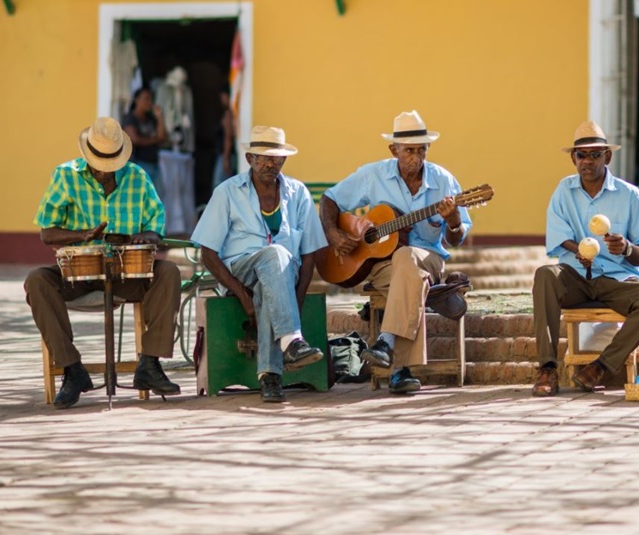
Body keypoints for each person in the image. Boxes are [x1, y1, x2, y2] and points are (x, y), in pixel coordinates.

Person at [25, 117, 182, 409]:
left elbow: (156, 225)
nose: (106, 171)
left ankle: (149, 364)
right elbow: (47, 232)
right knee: (37, 280)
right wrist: (82, 235)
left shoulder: (137, 177)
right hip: (78, 273)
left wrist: (144, 236)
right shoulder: (65, 175)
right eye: (100, 163)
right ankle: (73, 370)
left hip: (127, 273)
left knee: (169, 272)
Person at [319, 110, 471, 394]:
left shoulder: (444, 181)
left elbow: (457, 239)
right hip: (380, 265)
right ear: (394, 150)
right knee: (407, 274)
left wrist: (454, 221)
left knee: (407, 258)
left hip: (430, 260)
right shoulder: (373, 174)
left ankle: (387, 343)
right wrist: (335, 234)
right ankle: (401, 372)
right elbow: (330, 199)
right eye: (409, 151)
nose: (416, 157)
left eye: (422, 150)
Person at [531, 121, 639, 397]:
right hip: (576, 278)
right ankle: (547, 368)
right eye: (582, 155)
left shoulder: (630, 196)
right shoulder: (563, 191)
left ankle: (601, 367)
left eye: (596, 154)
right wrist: (578, 249)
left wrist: (627, 248)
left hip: (617, 279)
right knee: (545, 275)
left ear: (608, 156)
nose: (588, 161)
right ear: (573, 158)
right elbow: (559, 238)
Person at [191, 126, 327, 403]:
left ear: (284, 160)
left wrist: (292, 302)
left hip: (284, 274)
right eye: (263, 157)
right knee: (274, 254)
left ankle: (270, 378)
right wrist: (242, 296)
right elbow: (208, 252)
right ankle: (292, 342)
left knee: (272, 279)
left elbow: (310, 253)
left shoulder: (298, 193)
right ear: (250, 157)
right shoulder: (228, 192)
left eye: (276, 158)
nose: (269, 163)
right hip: (240, 270)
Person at [121, 87, 167, 186]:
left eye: (151, 99)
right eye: (146, 98)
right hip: (138, 164)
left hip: (154, 164)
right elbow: (135, 139)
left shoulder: (151, 119)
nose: (150, 102)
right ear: (136, 100)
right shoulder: (130, 118)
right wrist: (156, 140)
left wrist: (160, 118)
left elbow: (162, 137)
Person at [212, 89, 237, 189]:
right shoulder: (231, 113)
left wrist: (226, 159)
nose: (222, 99)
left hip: (225, 155)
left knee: (219, 184)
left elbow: (228, 137)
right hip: (226, 155)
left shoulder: (228, 114)